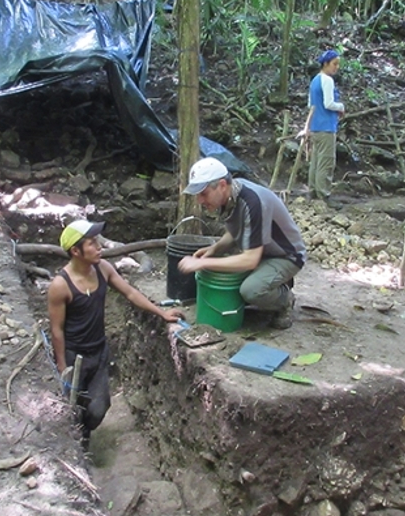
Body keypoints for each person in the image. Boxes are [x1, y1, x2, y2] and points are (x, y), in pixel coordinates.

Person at [48, 220, 182, 448]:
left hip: (98, 351)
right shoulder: (60, 286)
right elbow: (56, 329)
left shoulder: (103, 269)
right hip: (74, 355)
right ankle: (78, 447)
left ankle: (84, 435)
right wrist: (62, 367)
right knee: (74, 405)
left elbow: (130, 292)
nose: (99, 247)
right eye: (92, 243)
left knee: (99, 407)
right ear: (75, 251)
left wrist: (162, 313)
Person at [178, 158, 306, 329]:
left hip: (286, 256)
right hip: (261, 252)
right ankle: (271, 282)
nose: (200, 201)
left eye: (204, 193)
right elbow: (235, 231)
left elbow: (249, 260)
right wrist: (214, 249)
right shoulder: (231, 196)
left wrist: (201, 263)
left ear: (222, 185)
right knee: (224, 273)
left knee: (251, 290)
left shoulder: (252, 201)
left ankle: (285, 299)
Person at [300, 49, 345, 201]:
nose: (336, 67)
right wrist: (341, 107)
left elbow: (310, 104)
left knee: (316, 161)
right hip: (326, 126)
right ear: (325, 64)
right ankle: (323, 194)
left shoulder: (315, 81)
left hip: (315, 126)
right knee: (326, 161)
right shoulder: (327, 80)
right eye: (334, 64)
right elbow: (329, 103)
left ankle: (312, 191)